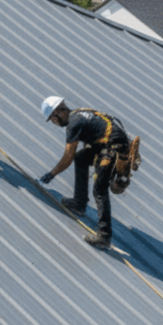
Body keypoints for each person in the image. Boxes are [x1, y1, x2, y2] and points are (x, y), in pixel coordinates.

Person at [37, 96, 131, 249]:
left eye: (52, 119)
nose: (54, 123)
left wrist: (50, 175)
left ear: (57, 114)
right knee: (81, 158)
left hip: (113, 148)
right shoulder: (79, 113)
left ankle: (104, 236)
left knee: (99, 190)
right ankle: (79, 203)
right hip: (108, 143)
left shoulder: (74, 123)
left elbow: (67, 156)